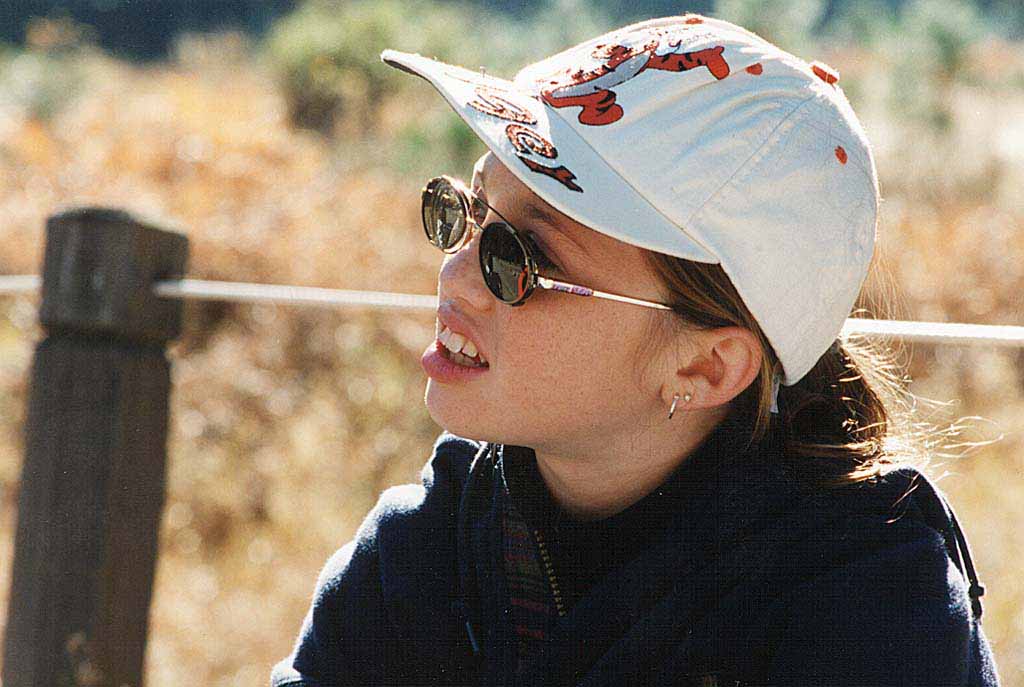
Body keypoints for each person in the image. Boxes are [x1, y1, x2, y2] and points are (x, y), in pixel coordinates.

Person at [271, 14, 1001, 687]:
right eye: (464, 209)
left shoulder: (871, 609)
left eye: (521, 259)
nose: (455, 276)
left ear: (707, 366)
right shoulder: (423, 554)